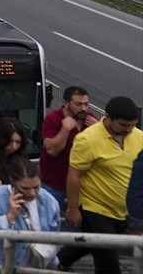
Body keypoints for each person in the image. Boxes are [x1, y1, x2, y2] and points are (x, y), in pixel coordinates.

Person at [57, 96, 143, 274]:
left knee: (92, 242)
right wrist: (73, 208)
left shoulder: (139, 137)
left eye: (132, 125)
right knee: (109, 262)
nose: (129, 130)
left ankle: (59, 262)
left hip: (124, 210)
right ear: (108, 117)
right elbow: (74, 175)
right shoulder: (87, 139)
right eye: (123, 126)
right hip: (95, 208)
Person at [0, 157, 62, 269]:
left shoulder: (50, 202)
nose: (32, 193)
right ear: (12, 182)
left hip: (35, 265)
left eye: (36, 187)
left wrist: (52, 263)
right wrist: (9, 217)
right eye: (25, 188)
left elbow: (53, 237)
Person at [40, 85, 98, 209]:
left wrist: (98, 129)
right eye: (78, 104)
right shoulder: (53, 119)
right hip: (54, 182)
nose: (84, 109)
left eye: (86, 104)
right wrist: (65, 129)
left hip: (82, 185)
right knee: (48, 219)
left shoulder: (90, 119)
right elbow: (52, 150)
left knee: (79, 221)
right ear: (65, 103)